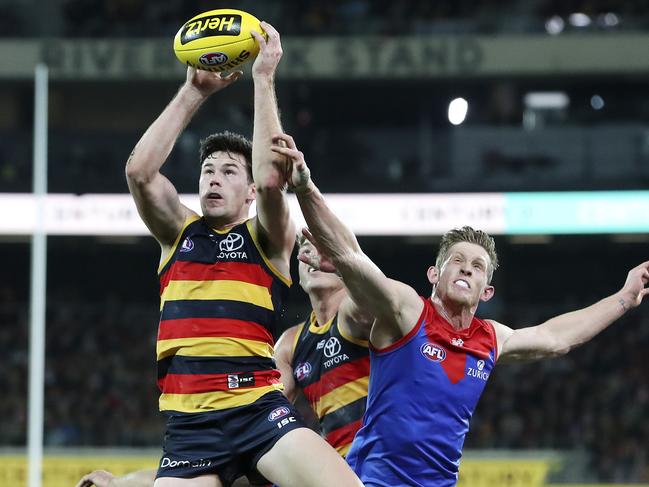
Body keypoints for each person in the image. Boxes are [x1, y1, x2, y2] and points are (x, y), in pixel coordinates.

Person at [269, 131, 649, 487]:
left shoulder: (490, 338)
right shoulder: (405, 313)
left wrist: (623, 298)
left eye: (478, 265)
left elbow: (555, 338)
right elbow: (351, 256)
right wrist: (305, 187)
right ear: (434, 273)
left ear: (487, 290)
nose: (467, 267)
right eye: (457, 260)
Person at [106, 21, 362, 487]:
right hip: (190, 429)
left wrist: (263, 79)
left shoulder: (267, 237)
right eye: (207, 171)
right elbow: (140, 173)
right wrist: (193, 92)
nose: (215, 179)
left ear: (247, 193)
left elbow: (270, 179)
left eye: (228, 171)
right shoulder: (177, 233)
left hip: (258, 411)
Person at [76, 236, 372, 487]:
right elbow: (241, 421)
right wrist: (123, 482)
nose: (311, 256)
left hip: (386, 464)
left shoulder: (366, 313)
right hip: (334, 466)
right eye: (305, 249)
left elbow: (381, 299)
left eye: (323, 247)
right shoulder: (292, 344)